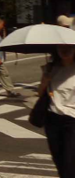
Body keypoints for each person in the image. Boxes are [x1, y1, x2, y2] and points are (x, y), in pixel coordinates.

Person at [37, 44, 75, 177]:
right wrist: (45, 82)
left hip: (72, 120)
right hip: (52, 119)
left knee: (69, 162)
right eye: (61, 49)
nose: (64, 52)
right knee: (58, 159)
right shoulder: (51, 68)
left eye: (69, 49)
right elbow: (40, 93)